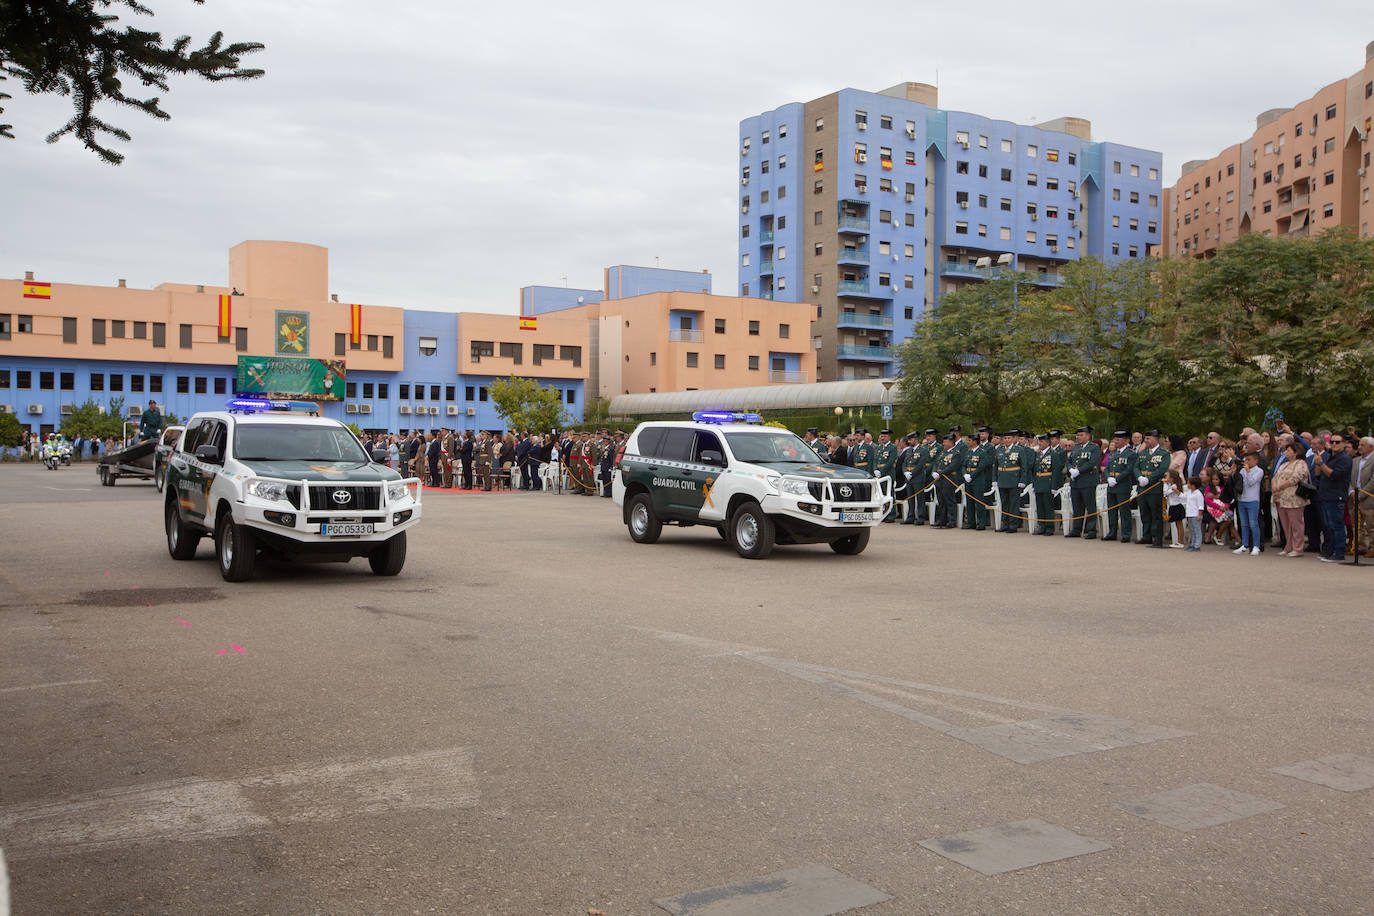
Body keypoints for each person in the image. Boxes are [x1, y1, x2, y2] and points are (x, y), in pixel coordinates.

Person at [1312, 432, 1352, 562]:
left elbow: (1334, 475)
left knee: (1337, 525)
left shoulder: (1344, 459)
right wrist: (1318, 462)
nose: (1334, 444)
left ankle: (1338, 552)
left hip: (1336, 496)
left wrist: (1322, 463)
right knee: (1328, 526)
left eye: (1337, 442)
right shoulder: (1330, 457)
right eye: (1333, 441)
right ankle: (1329, 550)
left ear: (1344, 444)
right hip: (1325, 494)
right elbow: (1318, 475)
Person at [1272, 440, 1312, 557]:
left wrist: (1280, 486)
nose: (1286, 452)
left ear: (1296, 452)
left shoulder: (1301, 464)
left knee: (1296, 524)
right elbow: (1275, 476)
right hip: (1281, 498)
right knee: (1285, 524)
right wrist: (1275, 485)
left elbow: (1296, 478)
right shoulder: (1284, 464)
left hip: (1294, 498)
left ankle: (1298, 548)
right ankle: (1288, 546)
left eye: (1289, 450)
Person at [1133, 428, 1170, 548]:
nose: (1146, 440)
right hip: (1142, 487)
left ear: (1156, 439)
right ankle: (1146, 535)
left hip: (1154, 487)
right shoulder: (1143, 453)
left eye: (1148, 438)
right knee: (1144, 512)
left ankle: (1157, 538)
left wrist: (1149, 479)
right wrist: (1139, 477)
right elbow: (1136, 467)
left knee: (1156, 514)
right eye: (1146, 438)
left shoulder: (1163, 453)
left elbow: (1162, 469)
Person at [1065, 426, 1101, 538]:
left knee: (1090, 506)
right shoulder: (1076, 448)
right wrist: (1070, 469)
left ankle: (1091, 529)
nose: (1078, 437)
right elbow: (1069, 461)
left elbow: (1092, 463)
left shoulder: (1093, 447)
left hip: (1087, 480)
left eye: (1081, 435)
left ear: (1088, 436)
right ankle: (1076, 529)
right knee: (1077, 506)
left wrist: (1079, 471)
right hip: (1075, 481)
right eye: (1078, 435)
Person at [1103, 430, 1136, 543]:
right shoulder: (1113, 453)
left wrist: (1116, 479)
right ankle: (1112, 532)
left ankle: (1126, 534)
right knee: (1111, 510)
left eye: (1119, 439)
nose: (1116, 441)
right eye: (1115, 439)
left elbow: (1129, 469)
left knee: (1124, 511)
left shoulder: (1130, 454)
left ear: (1126, 440)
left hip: (1122, 485)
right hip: (1111, 484)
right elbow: (1107, 468)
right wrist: (1108, 478)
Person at [933, 433, 962, 528]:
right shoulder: (942, 453)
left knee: (949, 500)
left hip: (949, 479)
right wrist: (934, 471)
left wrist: (940, 473)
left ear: (951, 442)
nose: (944, 443)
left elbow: (953, 466)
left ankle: (952, 520)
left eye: (945, 441)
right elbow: (936, 463)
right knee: (941, 501)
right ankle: (942, 520)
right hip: (939, 480)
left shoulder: (956, 453)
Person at [1354, 436, 1374, 558]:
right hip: (1354, 497)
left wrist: (1360, 494)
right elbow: (1350, 479)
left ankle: (1373, 547)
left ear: (1371, 447)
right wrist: (1351, 491)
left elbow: (1373, 481)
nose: (1359, 447)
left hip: (1368, 499)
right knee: (1356, 525)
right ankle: (1359, 547)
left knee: (1371, 525)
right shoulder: (1355, 460)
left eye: (1363, 445)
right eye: (1359, 445)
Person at [1163, 469, 1186, 548]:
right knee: (1177, 525)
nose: (1165, 477)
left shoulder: (1174, 486)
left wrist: (1165, 484)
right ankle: (1179, 541)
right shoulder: (1171, 485)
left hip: (1177, 507)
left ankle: (1180, 542)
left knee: (1179, 525)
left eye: (1167, 476)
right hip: (1172, 506)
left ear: (1172, 478)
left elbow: (1165, 493)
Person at [1183, 475, 1206, 551]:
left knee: (1197, 530)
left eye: (1189, 483)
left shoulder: (1198, 493)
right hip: (1189, 513)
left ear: (1193, 485)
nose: (1188, 485)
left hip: (1195, 514)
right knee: (1192, 530)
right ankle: (1193, 544)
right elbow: (1183, 496)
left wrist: (1200, 514)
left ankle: (1197, 545)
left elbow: (1200, 505)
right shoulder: (1189, 492)